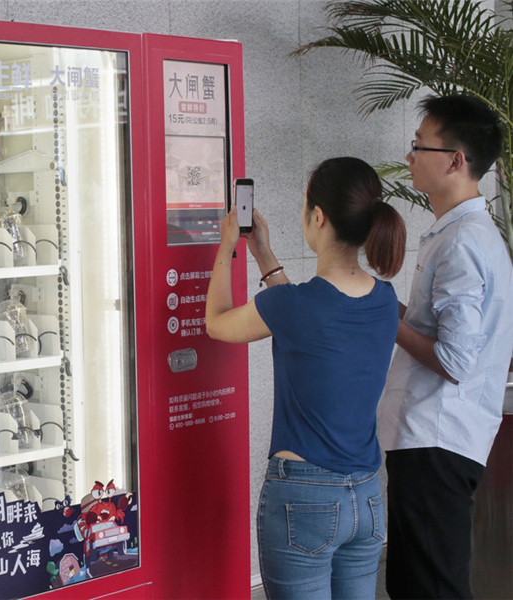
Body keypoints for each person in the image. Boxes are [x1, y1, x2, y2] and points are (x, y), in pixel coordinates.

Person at [205, 157, 406, 599]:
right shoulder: (386, 300)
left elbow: (217, 323)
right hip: (368, 498)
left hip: (304, 500)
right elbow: (307, 317)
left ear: (317, 217)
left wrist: (226, 247)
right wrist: (262, 252)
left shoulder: (295, 307)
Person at [377, 94, 513, 600]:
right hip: (434, 437)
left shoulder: (462, 244)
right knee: (417, 582)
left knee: (431, 587)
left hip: (437, 438)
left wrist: (386, 317)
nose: (410, 156)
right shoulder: (461, 233)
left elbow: (455, 360)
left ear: (456, 161)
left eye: (419, 146)